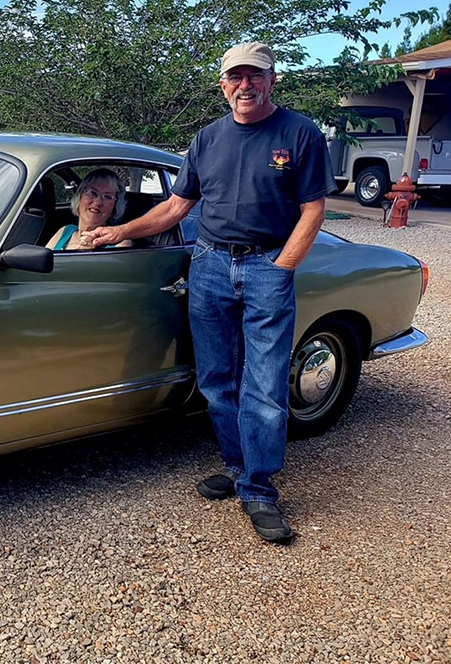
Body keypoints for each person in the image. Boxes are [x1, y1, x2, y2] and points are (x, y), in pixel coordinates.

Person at [85, 42, 336, 543]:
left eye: (255, 76)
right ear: (222, 84)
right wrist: (121, 231)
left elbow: (313, 210)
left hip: (267, 264)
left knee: (264, 386)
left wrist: (281, 267)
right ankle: (239, 466)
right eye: (235, 77)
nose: (245, 85)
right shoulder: (207, 139)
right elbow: (177, 207)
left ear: (271, 80)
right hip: (210, 265)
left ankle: (260, 490)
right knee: (217, 379)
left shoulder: (299, 133)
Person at [46, 168, 132, 250]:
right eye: (92, 192)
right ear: (79, 197)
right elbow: (41, 263)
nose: (98, 202)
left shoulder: (120, 243)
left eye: (107, 197)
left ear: (115, 207)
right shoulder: (65, 231)